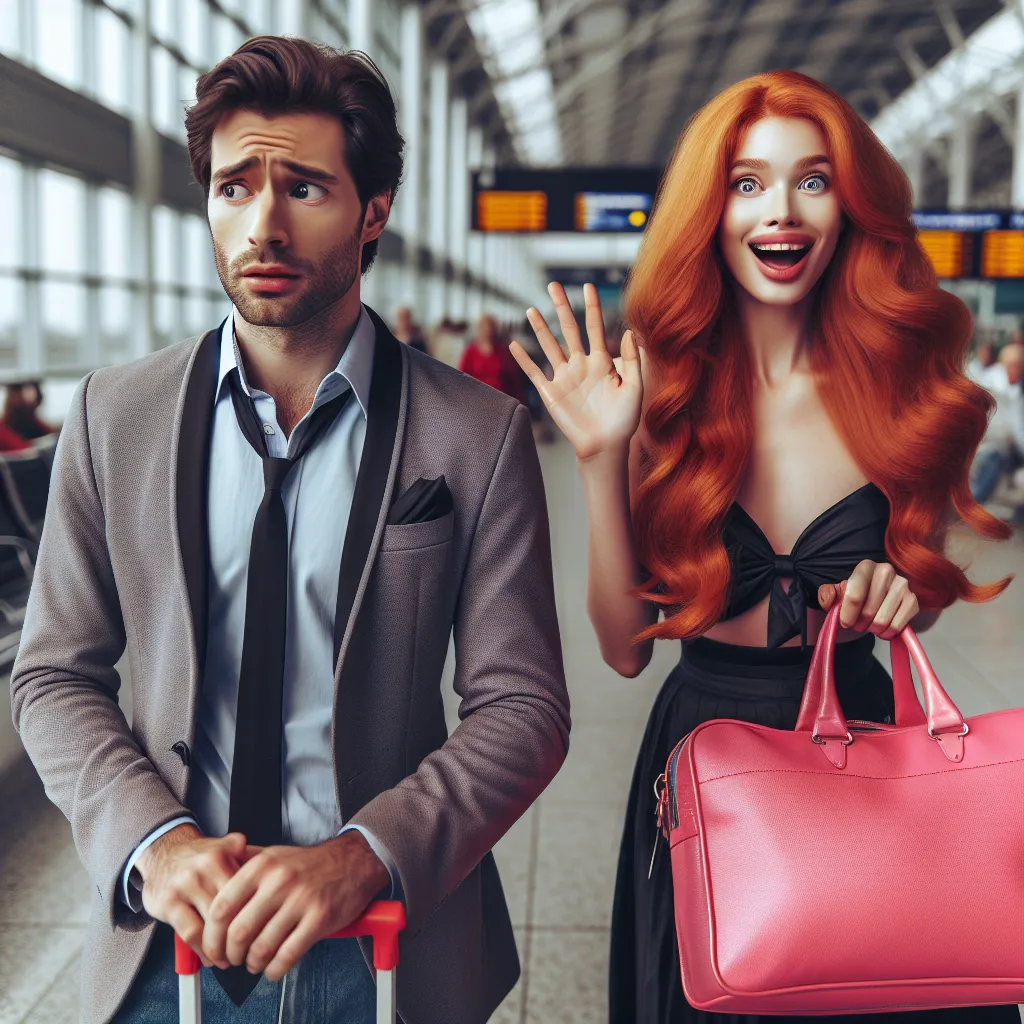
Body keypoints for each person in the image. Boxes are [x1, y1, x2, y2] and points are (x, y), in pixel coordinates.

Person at [10, 36, 568, 1024]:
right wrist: (155, 843)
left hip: (386, 946)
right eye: (233, 187)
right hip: (163, 948)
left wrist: (367, 853)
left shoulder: (475, 437)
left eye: (303, 187)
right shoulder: (114, 418)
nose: (261, 223)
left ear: (373, 213)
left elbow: (521, 705)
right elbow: (55, 675)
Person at [511, 70, 1018, 1023]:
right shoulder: (658, 389)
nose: (779, 211)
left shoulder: (897, 382)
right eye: (746, 183)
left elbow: (923, 583)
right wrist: (598, 453)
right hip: (704, 735)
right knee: (715, 984)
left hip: (862, 729)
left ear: (850, 207)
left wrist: (897, 591)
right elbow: (623, 647)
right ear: (709, 208)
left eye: (811, 181)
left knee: (872, 976)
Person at [969, 342, 1024, 503]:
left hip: (1011, 445)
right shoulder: (993, 382)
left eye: (1018, 367)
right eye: (1012, 366)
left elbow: (1017, 427)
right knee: (993, 456)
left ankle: (974, 502)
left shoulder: (1016, 388)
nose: (1014, 370)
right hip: (994, 442)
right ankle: (974, 502)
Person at [459, 314, 525, 403]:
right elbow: (462, 378)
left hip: (502, 400)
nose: (488, 331)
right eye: (485, 328)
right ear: (479, 329)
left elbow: (513, 378)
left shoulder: (503, 350)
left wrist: (519, 401)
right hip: (478, 400)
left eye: (490, 328)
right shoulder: (470, 351)